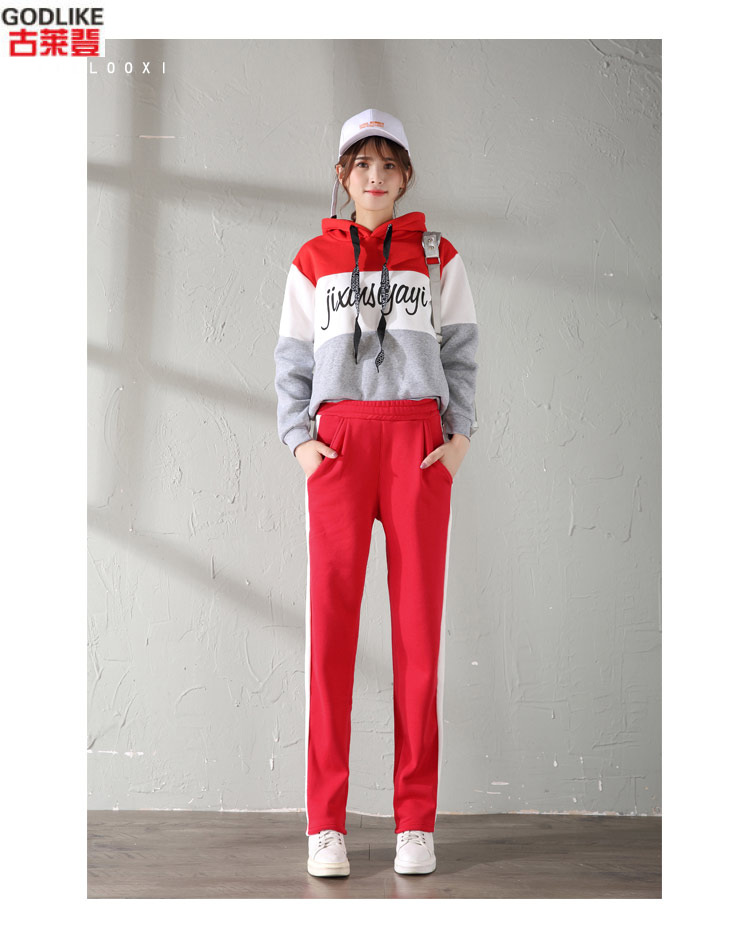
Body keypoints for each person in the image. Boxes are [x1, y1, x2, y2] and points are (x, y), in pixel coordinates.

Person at [273, 108, 479, 878]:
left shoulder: (437, 255)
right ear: (343, 175)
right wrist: (301, 440)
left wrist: (457, 440)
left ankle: (415, 822)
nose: (375, 177)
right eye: (362, 164)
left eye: (389, 165)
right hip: (340, 445)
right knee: (330, 634)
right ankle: (324, 824)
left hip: (419, 444)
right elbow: (292, 356)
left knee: (418, 637)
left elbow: (463, 352)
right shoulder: (313, 259)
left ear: (406, 176)